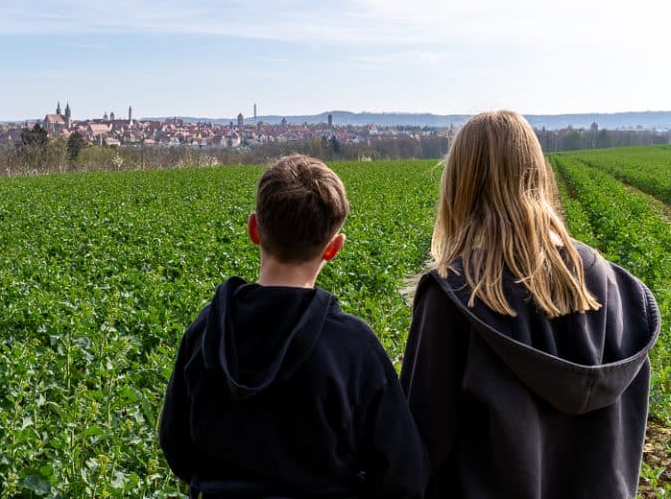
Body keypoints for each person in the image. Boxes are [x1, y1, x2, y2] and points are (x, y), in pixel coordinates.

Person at [401, 110, 660, 499]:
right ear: (538, 174)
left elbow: (418, 447)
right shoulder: (618, 287)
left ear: (461, 183)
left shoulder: (453, 297)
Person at [159, 154, 427, 498]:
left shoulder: (206, 330)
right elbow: (403, 476)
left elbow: (176, 445)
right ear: (333, 248)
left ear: (254, 229)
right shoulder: (353, 347)